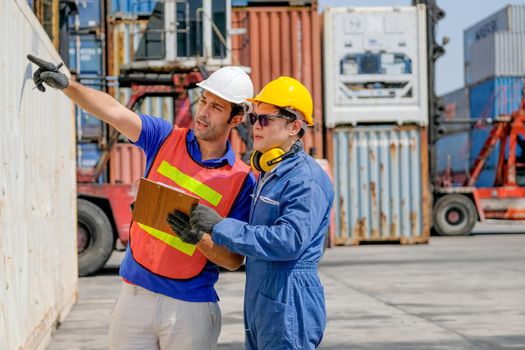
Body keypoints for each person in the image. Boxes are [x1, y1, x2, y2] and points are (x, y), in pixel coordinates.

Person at [27, 54, 256, 350]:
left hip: (191, 309)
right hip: (134, 298)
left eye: (216, 107)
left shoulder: (241, 180)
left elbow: (234, 259)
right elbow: (114, 111)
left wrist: (198, 239)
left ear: (235, 119)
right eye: (203, 101)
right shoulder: (165, 138)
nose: (203, 112)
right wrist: (69, 86)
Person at [169, 76, 334, 349]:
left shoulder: (305, 180)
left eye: (266, 119)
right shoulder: (270, 174)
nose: (256, 125)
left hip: (289, 299)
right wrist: (201, 233)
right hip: (264, 299)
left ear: (294, 125)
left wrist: (221, 227)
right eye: (254, 118)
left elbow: (288, 241)